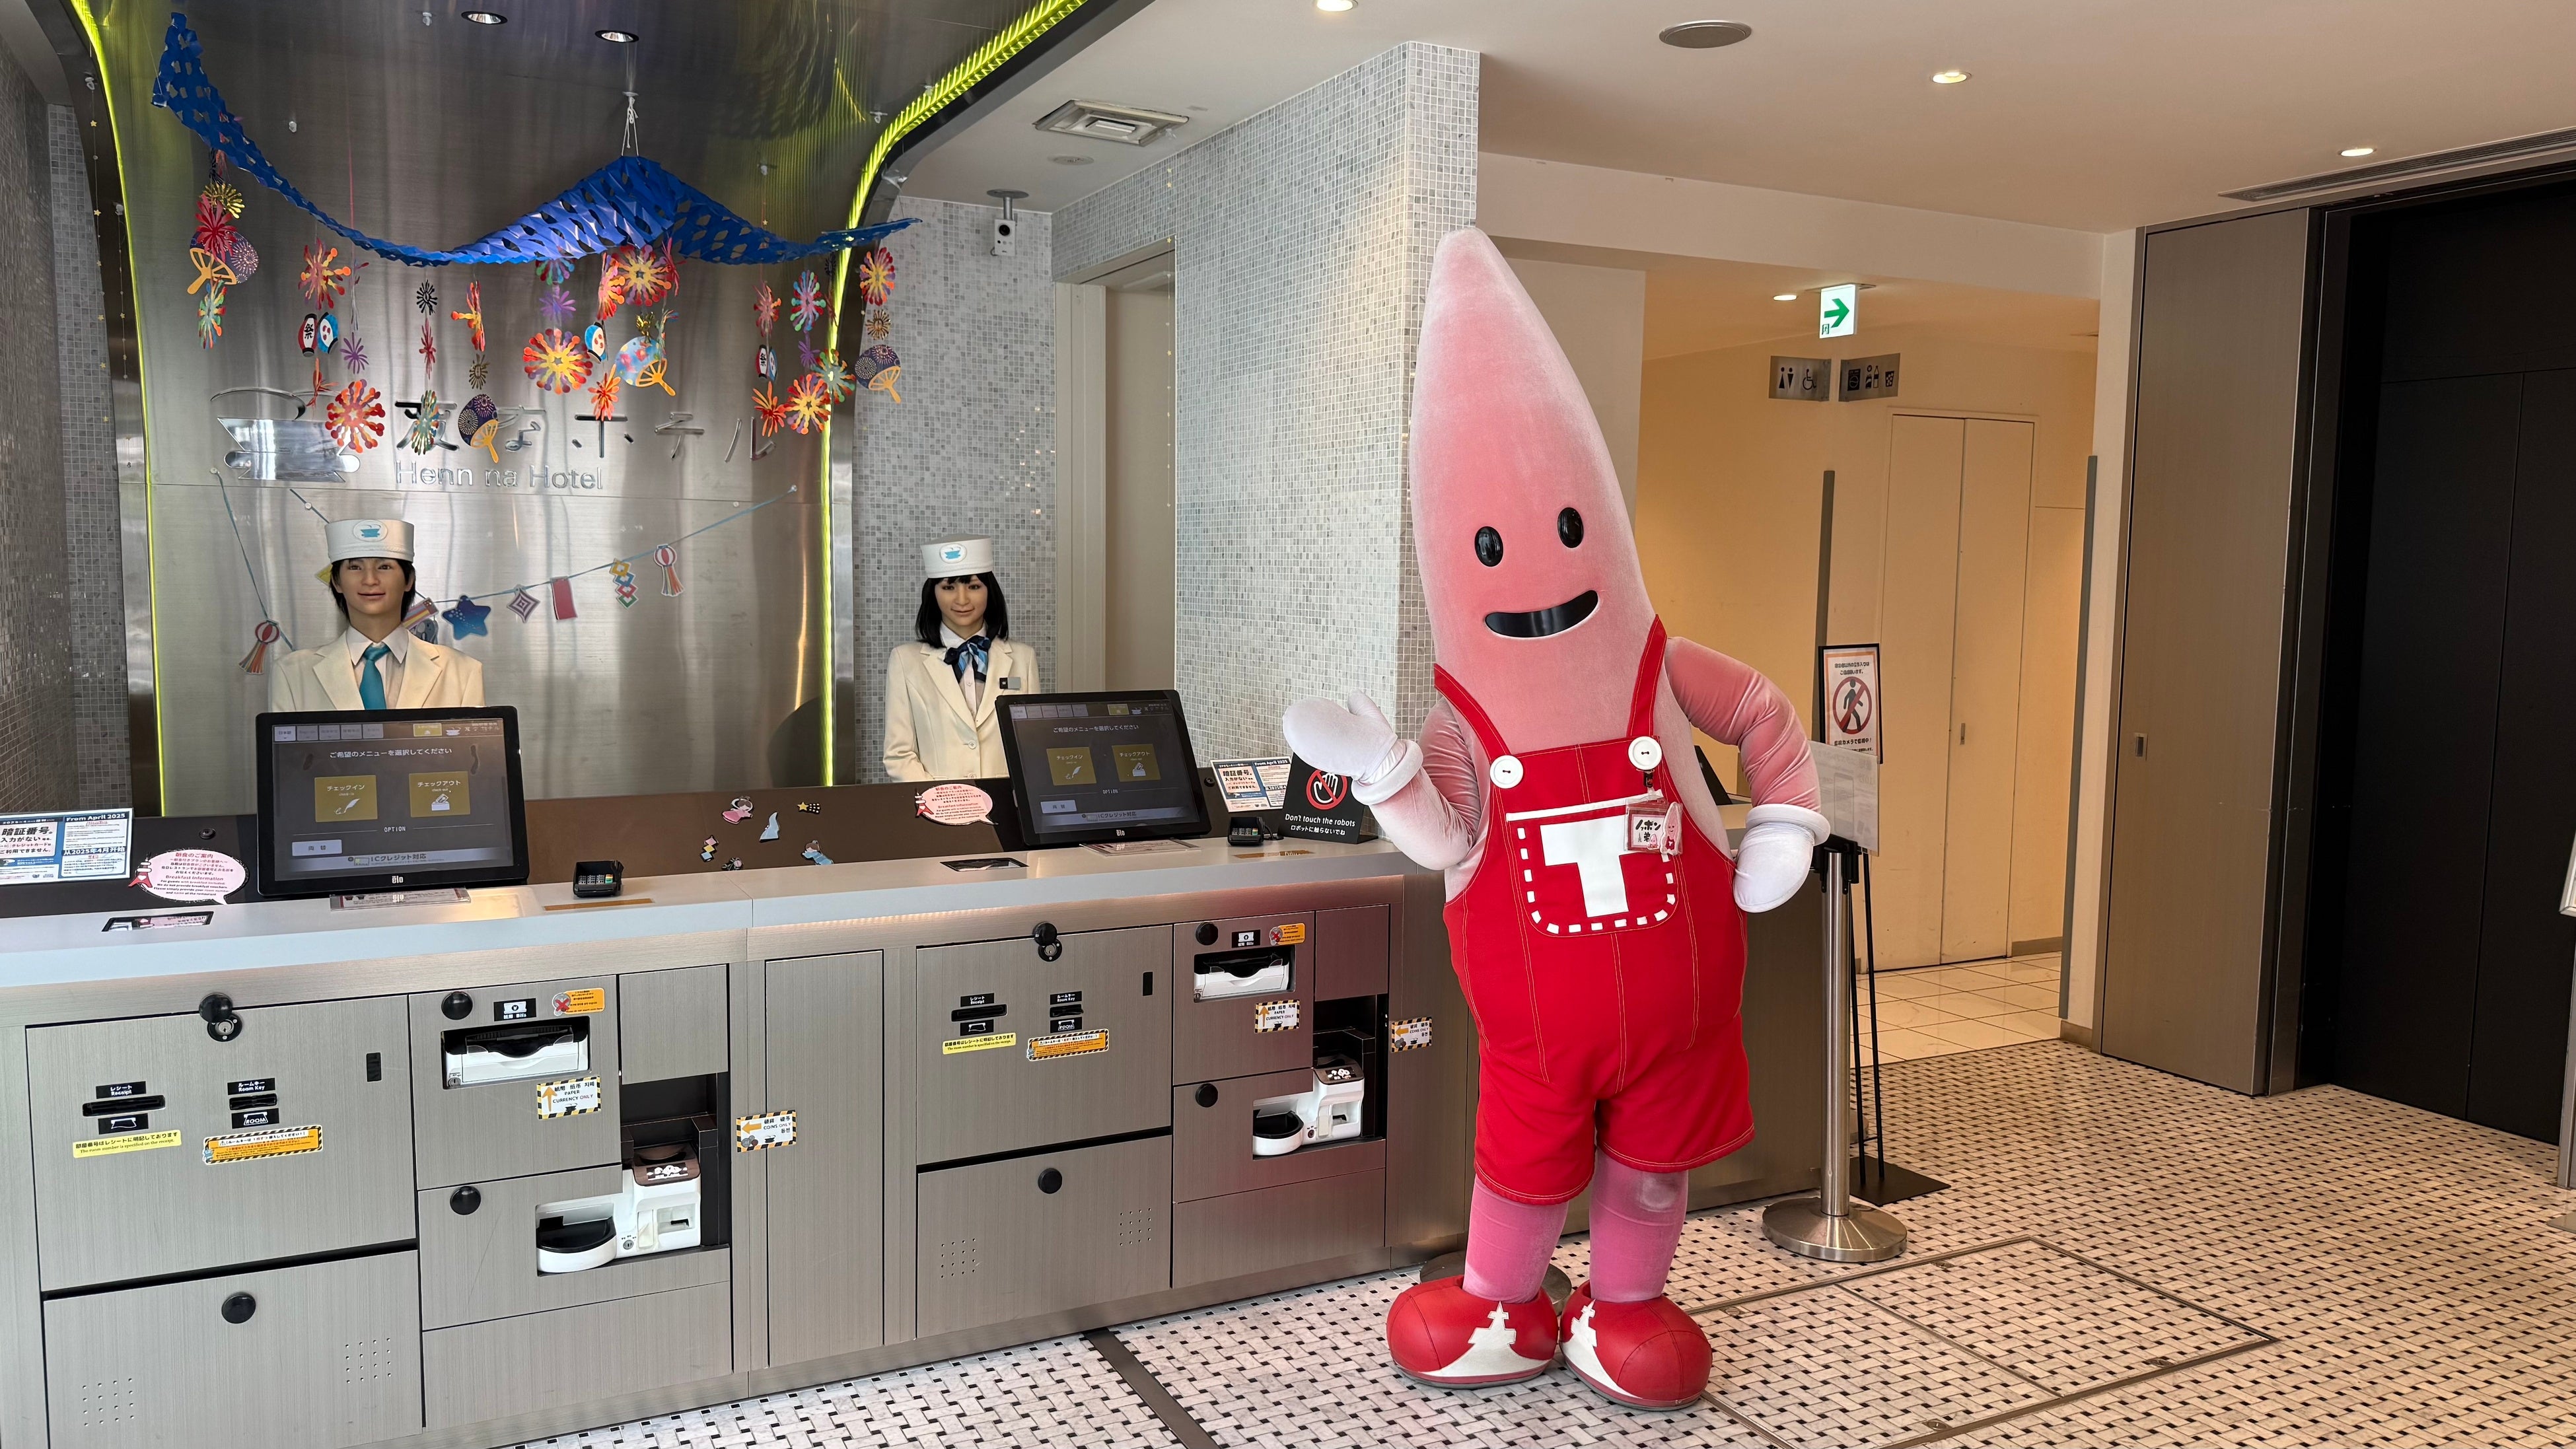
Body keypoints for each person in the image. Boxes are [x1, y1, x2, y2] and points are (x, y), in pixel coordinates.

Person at [1283, 230, 1829, 1410]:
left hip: (1681, 1005)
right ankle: (1502, 1301)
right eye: (1487, 547)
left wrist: (1788, 818)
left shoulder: (1661, 663)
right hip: (1540, 1025)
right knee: (1523, 1162)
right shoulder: (1461, 717)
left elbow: (1762, 710)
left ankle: (1627, 1304)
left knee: (1652, 1169)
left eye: (1572, 530)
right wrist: (1382, 768)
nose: (1536, 565)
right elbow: (1447, 837)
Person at [266, 518, 485, 711]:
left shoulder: (462, 671)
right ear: (336, 582)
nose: (370, 580)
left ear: (408, 580)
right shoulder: (292, 674)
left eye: (384, 567)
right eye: (355, 568)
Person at [883, 537, 1040, 781]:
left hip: (1006, 800)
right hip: (939, 800)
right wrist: (939, 798)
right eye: (949, 587)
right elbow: (899, 755)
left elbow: (1031, 747)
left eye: (974, 587)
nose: (962, 599)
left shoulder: (1023, 658)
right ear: (933, 593)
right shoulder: (905, 661)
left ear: (990, 591)